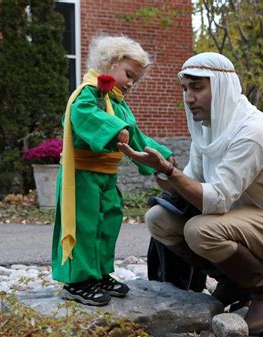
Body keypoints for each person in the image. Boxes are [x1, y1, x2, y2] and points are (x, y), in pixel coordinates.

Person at [118, 52, 263, 335]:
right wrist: (159, 169)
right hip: (241, 218)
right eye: (185, 89)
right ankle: (235, 281)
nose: (188, 97)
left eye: (197, 88)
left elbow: (215, 199)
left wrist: (171, 173)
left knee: (200, 229)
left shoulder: (253, 130)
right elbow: (189, 186)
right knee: (159, 218)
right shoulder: (207, 128)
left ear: (221, 87)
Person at [51, 34, 176, 307]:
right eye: (129, 74)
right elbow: (81, 115)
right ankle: (77, 281)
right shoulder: (88, 92)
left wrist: (163, 156)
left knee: (108, 221)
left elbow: (136, 136)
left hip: (107, 176)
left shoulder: (117, 101)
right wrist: (112, 127)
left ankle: (98, 273)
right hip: (82, 175)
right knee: (84, 224)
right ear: (110, 62)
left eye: (136, 79)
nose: (131, 83)